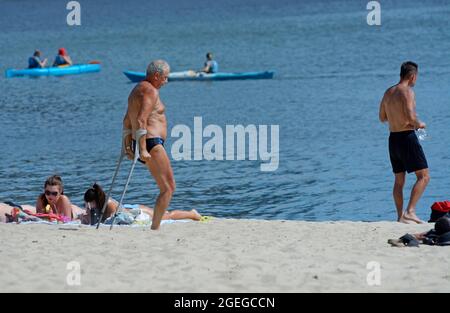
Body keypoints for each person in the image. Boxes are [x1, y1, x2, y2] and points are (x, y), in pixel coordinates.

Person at [123, 59, 175, 230]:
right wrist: (143, 148)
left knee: (166, 187)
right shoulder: (150, 90)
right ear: (156, 75)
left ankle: (155, 226)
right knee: (168, 188)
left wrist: (127, 144)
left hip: (145, 142)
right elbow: (140, 119)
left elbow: (126, 120)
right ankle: (155, 228)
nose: (166, 82)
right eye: (165, 78)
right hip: (151, 143)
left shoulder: (137, 89)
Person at [379, 61, 430, 224]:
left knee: (399, 181)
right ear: (413, 76)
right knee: (424, 176)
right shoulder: (407, 92)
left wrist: (397, 119)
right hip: (407, 138)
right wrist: (419, 123)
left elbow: (382, 117)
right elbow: (410, 117)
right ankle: (410, 211)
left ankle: (400, 216)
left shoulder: (388, 92)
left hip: (393, 139)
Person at [79, 183, 201, 225]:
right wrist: (88, 212)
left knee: (167, 216)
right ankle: (191, 214)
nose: (89, 206)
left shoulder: (109, 204)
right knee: (166, 215)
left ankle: (192, 214)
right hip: (130, 208)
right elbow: (93, 221)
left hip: (137, 211)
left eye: (90, 204)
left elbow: (111, 219)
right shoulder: (98, 206)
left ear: (95, 200)